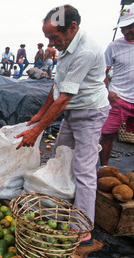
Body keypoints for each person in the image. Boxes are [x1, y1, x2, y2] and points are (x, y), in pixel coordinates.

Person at [14, 5, 110, 245]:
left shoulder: (85, 50)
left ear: (73, 28)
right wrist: (40, 113)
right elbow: (57, 86)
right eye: (48, 37)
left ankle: (83, 227)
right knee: (59, 156)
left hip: (89, 111)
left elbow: (65, 96)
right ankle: (61, 205)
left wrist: (37, 131)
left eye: (53, 37)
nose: (50, 42)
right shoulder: (66, 45)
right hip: (72, 111)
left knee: (84, 167)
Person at [100, 4, 134, 167]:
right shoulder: (114, 46)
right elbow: (102, 72)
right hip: (118, 98)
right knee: (107, 135)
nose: (126, 31)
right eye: (123, 28)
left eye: (129, 26)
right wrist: (107, 92)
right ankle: (103, 168)